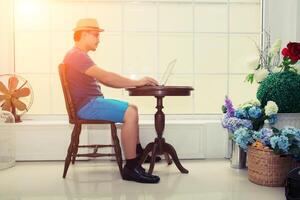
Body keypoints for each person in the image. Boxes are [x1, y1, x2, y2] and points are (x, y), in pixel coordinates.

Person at [63, 18, 161, 184]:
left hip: (90, 103)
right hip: (88, 106)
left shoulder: (78, 55)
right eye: (95, 35)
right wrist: (137, 82)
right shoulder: (76, 56)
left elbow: (105, 78)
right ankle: (130, 168)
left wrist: (133, 82)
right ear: (84, 34)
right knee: (130, 113)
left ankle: (137, 155)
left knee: (133, 107)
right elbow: (107, 78)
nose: (98, 39)